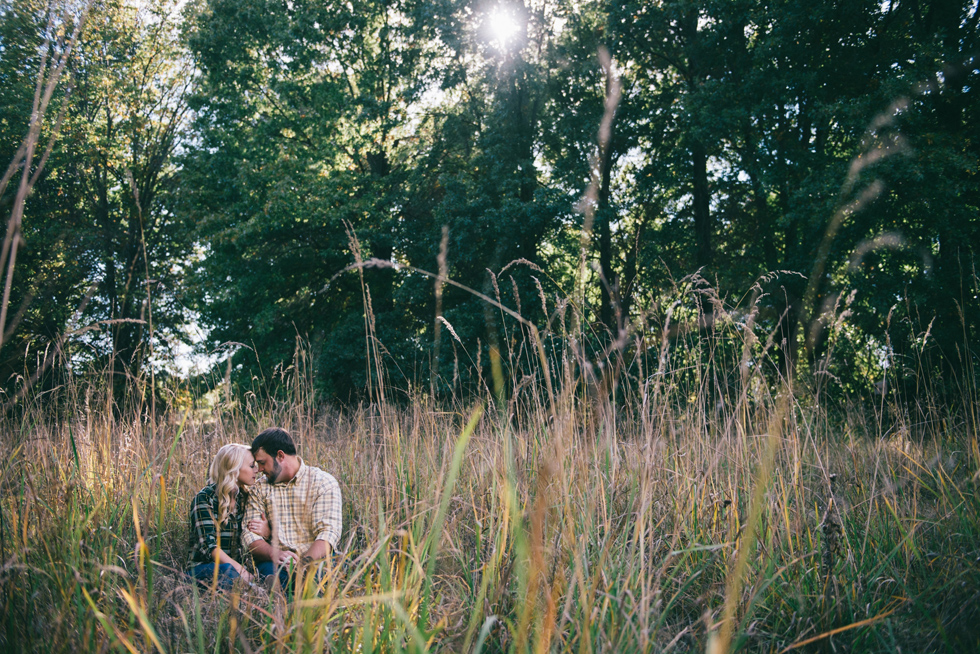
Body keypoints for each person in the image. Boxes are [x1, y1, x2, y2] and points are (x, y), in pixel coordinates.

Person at [242, 427, 342, 589]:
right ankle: (278, 604)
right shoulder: (259, 489)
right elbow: (249, 537)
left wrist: (301, 565)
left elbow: (328, 534)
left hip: (316, 561)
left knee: (316, 578)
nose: (259, 470)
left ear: (280, 456)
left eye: (262, 463)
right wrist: (276, 554)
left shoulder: (323, 483)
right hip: (275, 563)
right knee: (270, 576)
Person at [186, 443, 265, 588]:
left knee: (267, 568)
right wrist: (241, 571)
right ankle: (249, 592)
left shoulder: (246, 498)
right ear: (234, 469)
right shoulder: (205, 498)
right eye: (252, 466)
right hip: (204, 568)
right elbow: (209, 548)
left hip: (237, 569)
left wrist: (267, 530)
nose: (257, 470)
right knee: (227, 572)